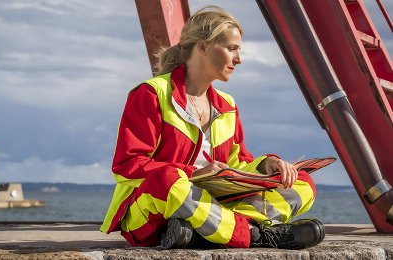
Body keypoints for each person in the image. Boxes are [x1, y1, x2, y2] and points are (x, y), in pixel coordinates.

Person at [101, 5, 324, 249]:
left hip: (214, 206)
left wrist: (266, 164)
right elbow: (127, 166)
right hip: (153, 211)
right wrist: (192, 174)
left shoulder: (227, 105)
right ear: (204, 47)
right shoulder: (151, 94)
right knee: (169, 180)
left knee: (301, 182)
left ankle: (205, 233)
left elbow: (238, 165)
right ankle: (255, 235)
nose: (238, 59)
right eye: (232, 49)